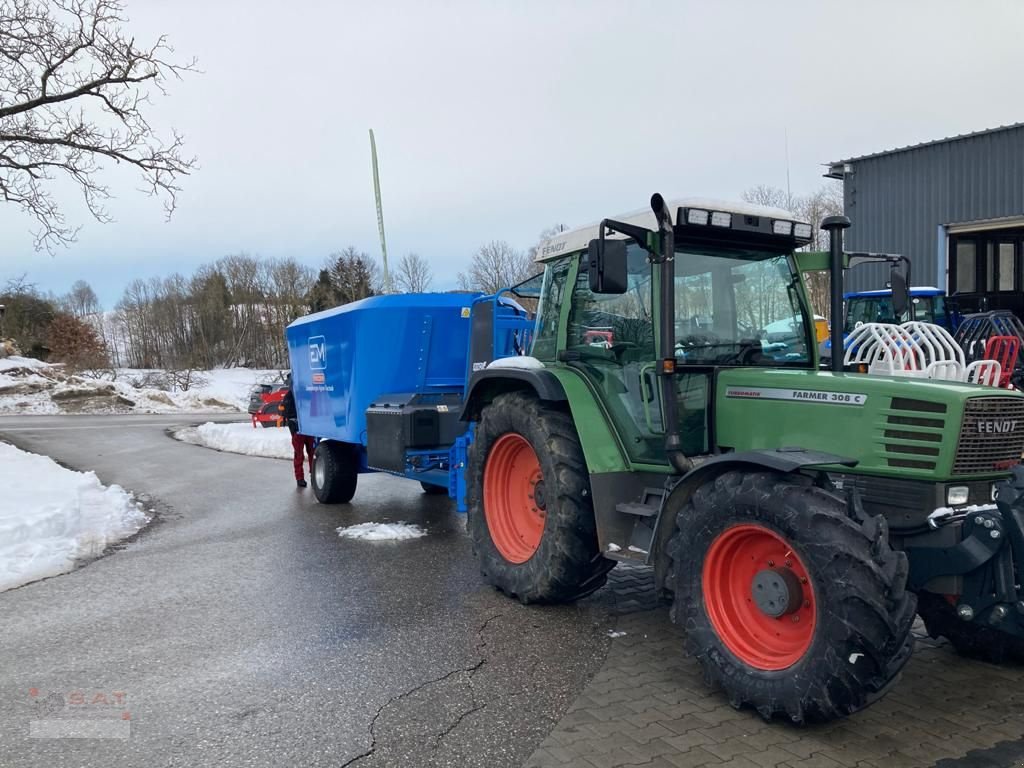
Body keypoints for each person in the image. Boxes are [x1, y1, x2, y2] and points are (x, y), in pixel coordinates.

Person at [280, 376, 314, 488]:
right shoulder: (304, 392)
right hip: (303, 428)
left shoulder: (290, 395)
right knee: (309, 453)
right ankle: (308, 477)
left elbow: (284, 413)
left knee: (303, 454)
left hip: (300, 429)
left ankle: (302, 478)